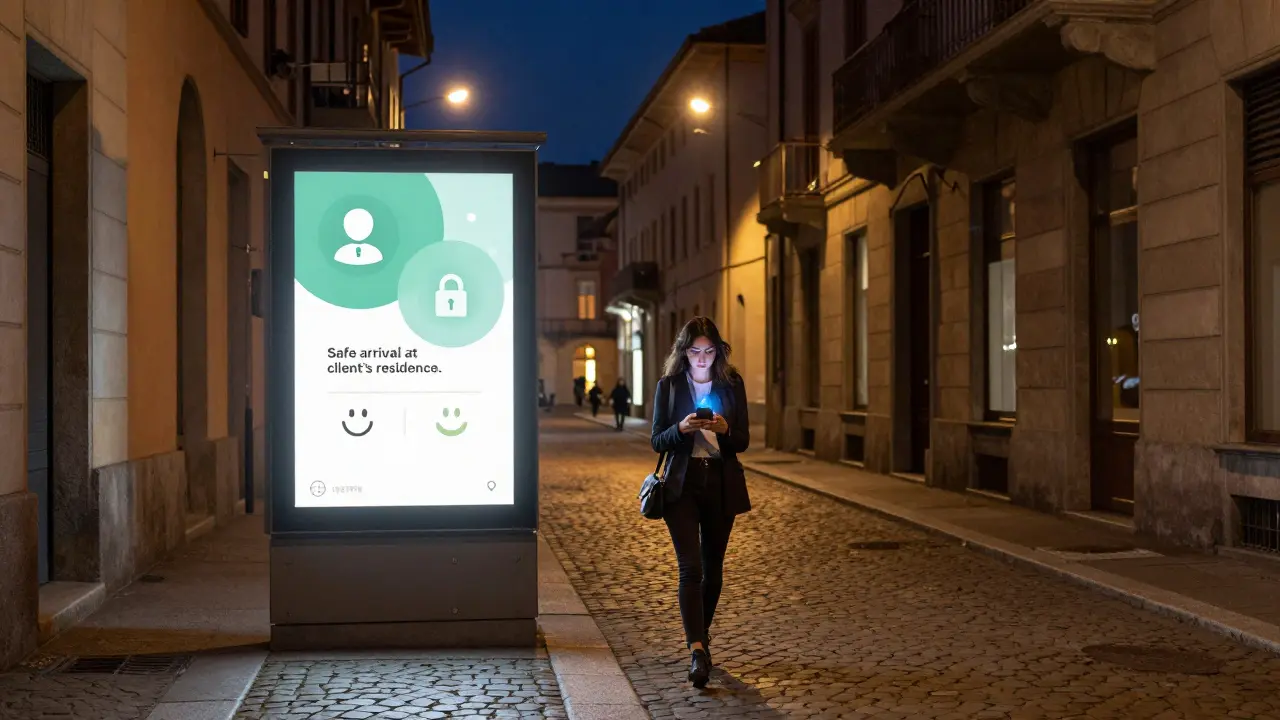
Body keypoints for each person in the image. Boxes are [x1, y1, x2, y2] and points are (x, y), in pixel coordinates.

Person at [650, 316, 750, 689]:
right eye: (695, 352)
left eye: (709, 351)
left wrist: (724, 431)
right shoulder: (671, 385)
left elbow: (743, 441)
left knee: (713, 571)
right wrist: (682, 429)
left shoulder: (731, 383)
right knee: (690, 569)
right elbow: (657, 439)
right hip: (682, 485)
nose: (703, 359)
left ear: (718, 352)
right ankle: (696, 651)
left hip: (720, 484)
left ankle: (701, 636)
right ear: (684, 352)